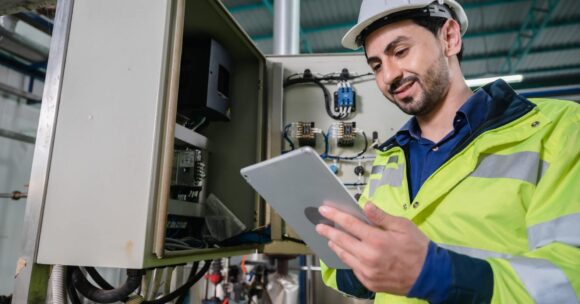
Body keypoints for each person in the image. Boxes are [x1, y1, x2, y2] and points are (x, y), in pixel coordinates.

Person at [315, 0, 580, 303]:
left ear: (450, 38)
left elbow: (570, 278)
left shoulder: (558, 129)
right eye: (376, 65)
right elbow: (366, 277)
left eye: (400, 52)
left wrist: (437, 275)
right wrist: (347, 255)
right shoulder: (390, 157)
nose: (388, 76)